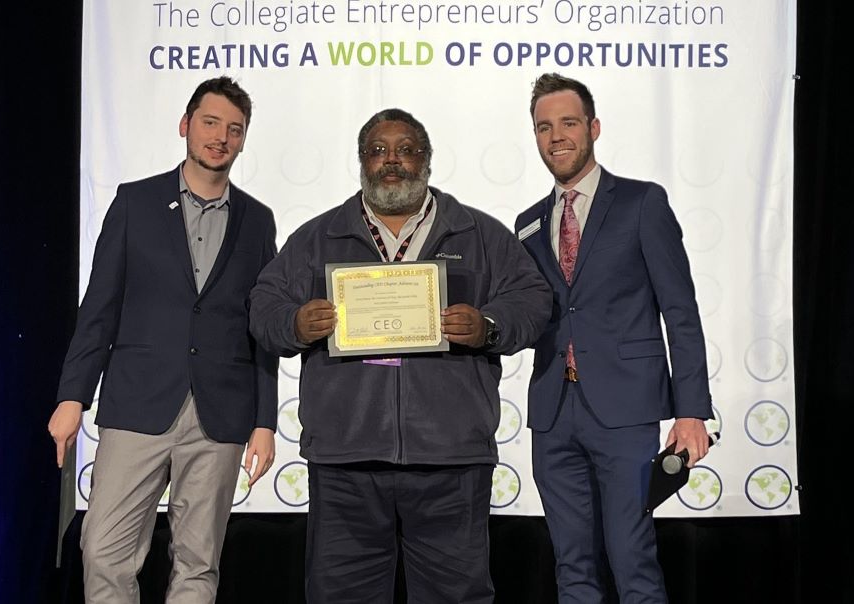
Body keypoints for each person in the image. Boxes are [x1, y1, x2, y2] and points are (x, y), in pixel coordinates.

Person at [249, 108, 551, 603]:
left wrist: (487, 326)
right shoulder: (318, 236)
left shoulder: (478, 233)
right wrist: (295, 324)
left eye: (406, 150)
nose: (392, 162)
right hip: (346, 458)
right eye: (378, 151)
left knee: (457, 597)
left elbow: (533, 299)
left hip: (449, 458)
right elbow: (263, 304)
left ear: (427, 161)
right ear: (361, 162)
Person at [46, 76, 278, 602]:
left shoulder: (258, 220)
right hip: (138, 403)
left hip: (220, 412)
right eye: (211, 122)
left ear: (243, 141)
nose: (221, 137)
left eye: (234, 129)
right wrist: (72, 396)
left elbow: (262, 328)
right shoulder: (135, 203)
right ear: (185, 126)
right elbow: (98, 310)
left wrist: (265, 420)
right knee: (103, 550)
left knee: (198, 563)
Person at [516, 73, 714, 603]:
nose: (556, 136)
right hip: (553, 413)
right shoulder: (528, 224)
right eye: (543, 127)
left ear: (594, 128)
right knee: (571, 563)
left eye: (568, 123)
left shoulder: (642, 203)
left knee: (632, 557)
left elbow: (681, 311)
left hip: (625, 410)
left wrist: (691, 409)